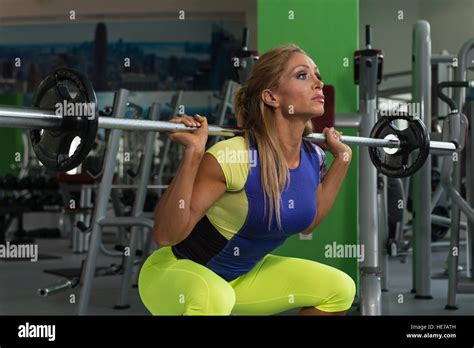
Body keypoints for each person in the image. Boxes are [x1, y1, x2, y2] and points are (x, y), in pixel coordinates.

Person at [138, 44, 356, 316]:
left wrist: (343, 158)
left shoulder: (313, 156)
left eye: (317, 74)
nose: (318, 82)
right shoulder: (234, 155)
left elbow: (307, 221)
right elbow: (165, 235)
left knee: (340, 288)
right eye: (302, 75)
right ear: (272, 97)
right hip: (176, 273)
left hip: (242, 279)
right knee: (215, 298)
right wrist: (194, 154)